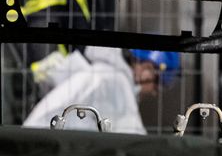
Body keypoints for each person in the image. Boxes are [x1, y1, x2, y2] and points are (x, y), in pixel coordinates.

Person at [23, 47, 179, 134]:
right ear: (147, 71)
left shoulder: (103, 74)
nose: (154, 92)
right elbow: (132, 139)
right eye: (158, 85)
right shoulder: (114, 82)